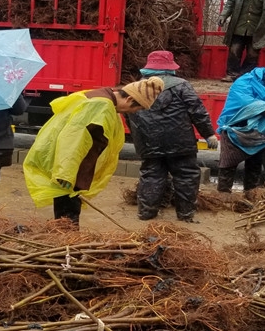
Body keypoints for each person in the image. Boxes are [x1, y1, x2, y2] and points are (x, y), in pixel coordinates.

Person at [23, 78, 163, 227]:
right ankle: (65, 238)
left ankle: (66, 235)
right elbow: (74, 138)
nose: (135, 112)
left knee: (68, 207)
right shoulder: (101, 105)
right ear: (129, 99)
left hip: (73, 165)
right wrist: (65, 173)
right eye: (138, 108)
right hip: (71, 167)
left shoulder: (103, 97)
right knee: (68, 211)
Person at [126, 50, 219, 223]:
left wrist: (140, 140)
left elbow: (129, 115)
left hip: (149, 143)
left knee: (151, 176)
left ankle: (146, 214)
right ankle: (185, 215)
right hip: (181, 143)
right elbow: (197, 111)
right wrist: (208, 134)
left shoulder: (136, 88)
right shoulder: (182, 85)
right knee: (186, 177)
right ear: (170, 67)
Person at [216, 64, 265, 193]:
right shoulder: (245, 82)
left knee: (255, 163)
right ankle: (223, 194)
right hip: (236, 127)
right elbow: (244, 101)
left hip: (258, 132)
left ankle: (251, 193)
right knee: (229, 162)